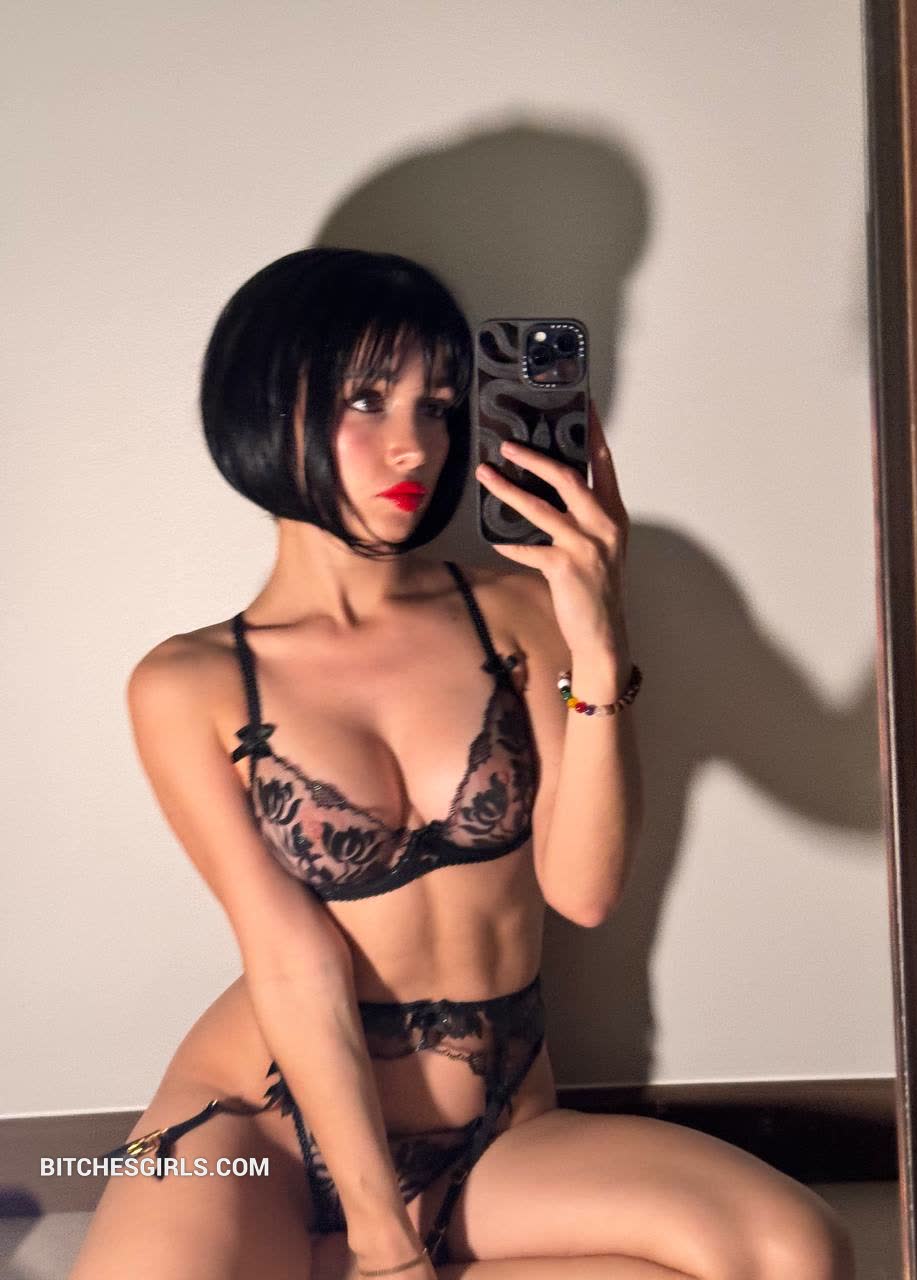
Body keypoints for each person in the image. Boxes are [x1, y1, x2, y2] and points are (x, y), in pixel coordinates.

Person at [71, 248, 854, 1280]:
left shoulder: (518, 610)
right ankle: (347, 1247)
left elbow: (583, 890)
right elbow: (292, 958)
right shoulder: (190, 682)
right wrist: (384, 1242)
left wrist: (599, 638)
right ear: (267, 405)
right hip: (254, 1135)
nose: (416, 443)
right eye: (366, 400)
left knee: (795, 1253)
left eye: (438, 406)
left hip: (497, 1127)